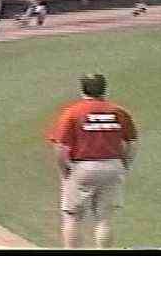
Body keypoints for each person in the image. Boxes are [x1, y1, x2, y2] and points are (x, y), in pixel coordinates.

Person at [44, 74, 138, 249]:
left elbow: (60, 147)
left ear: (82, 89)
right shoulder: (118, 111)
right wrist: (124, 165)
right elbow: (132, 143)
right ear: (104, 89)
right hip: (113, 165)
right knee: (104, 219)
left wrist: (65, 170)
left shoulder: (73, 112)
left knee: (73, 217)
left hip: (83, 167)